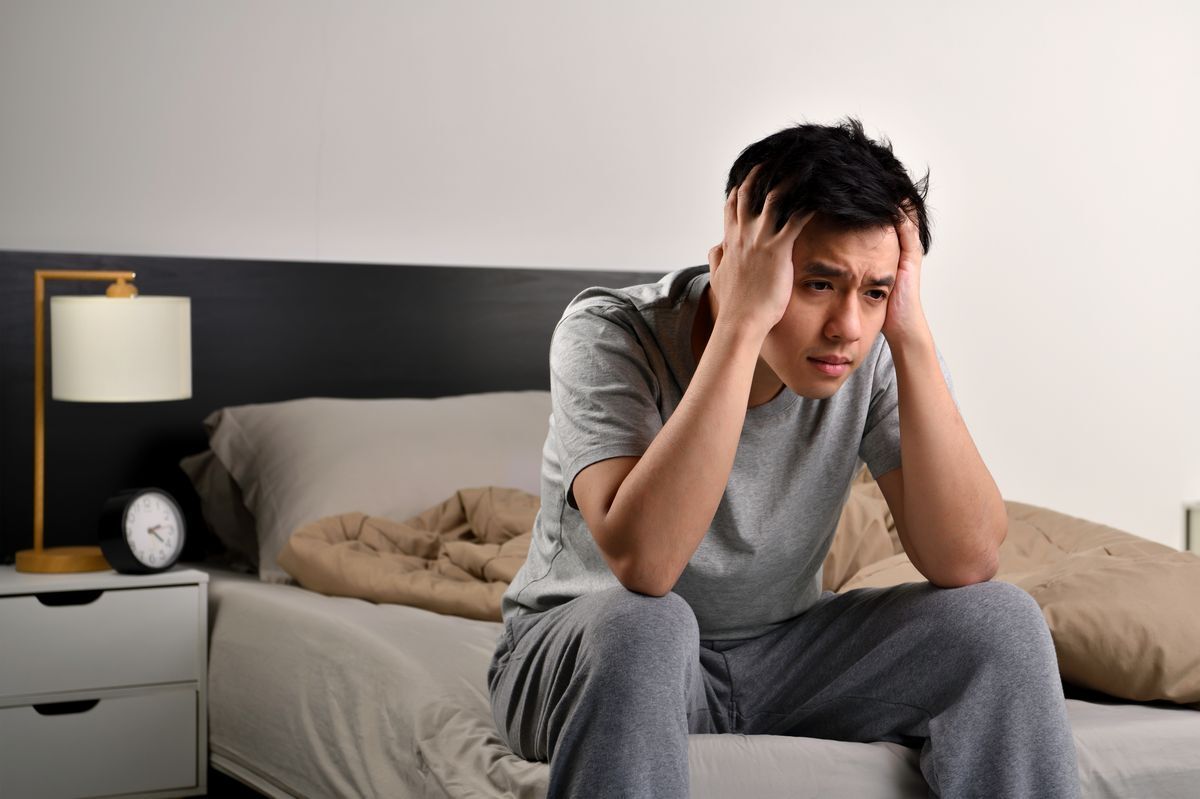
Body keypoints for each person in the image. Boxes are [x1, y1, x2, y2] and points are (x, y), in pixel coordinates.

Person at [488, 118, 1080, 798]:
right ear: (744, 258)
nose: (847, 328)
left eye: (875, 291)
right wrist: (740, 324)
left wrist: (910, 333)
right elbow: (646, 566)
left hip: (784, 656)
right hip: (594, 647)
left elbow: (966, 557)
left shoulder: (872, 346)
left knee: (1000, 621)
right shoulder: (608, 333)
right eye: (818, 284)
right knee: (650, 625)